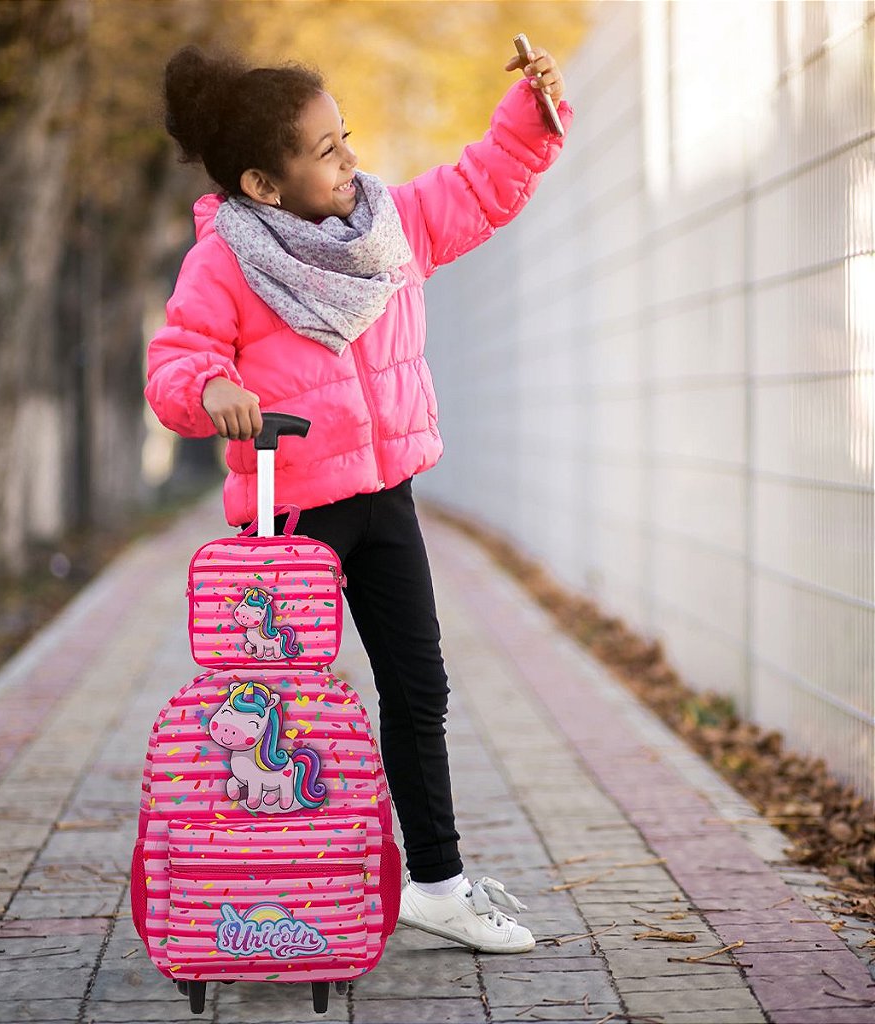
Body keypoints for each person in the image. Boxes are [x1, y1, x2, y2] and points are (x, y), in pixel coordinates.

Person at [145, 42, 572, 954]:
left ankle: (438, 883)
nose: (350, 159)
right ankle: (270, 893)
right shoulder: (226, 261)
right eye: (326, 150)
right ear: (263, 182)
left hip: (386, 501)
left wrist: (529, 118)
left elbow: (478, 187)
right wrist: (208, 389)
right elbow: (176, 361)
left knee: (419, 689)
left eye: (346, 138)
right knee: (280, 714)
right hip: (290, 514)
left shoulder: (387, 225)